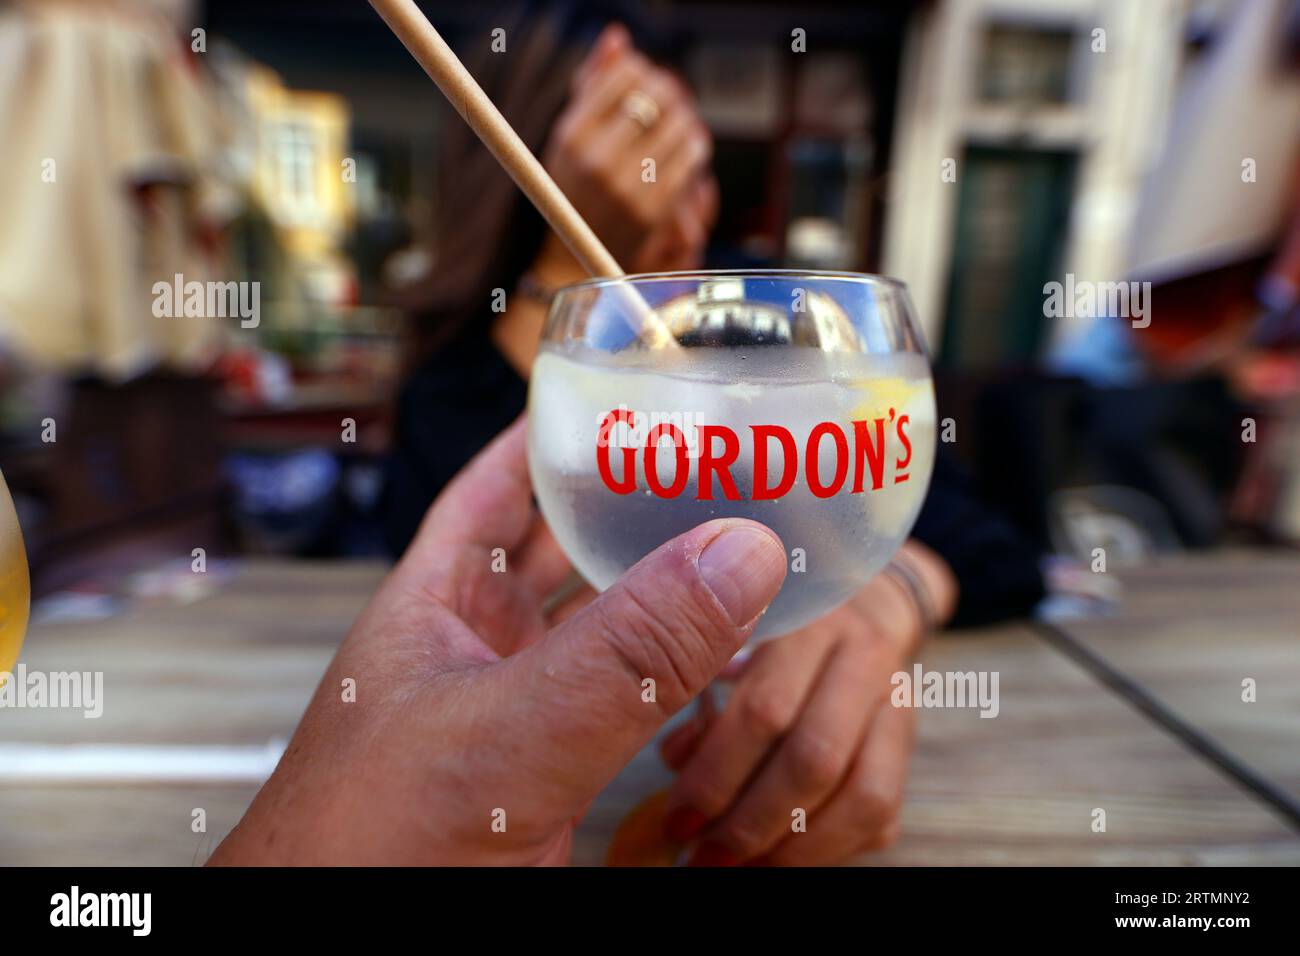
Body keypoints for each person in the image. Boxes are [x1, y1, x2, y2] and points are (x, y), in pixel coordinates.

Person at [371, 10, 1041, 865]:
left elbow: (997, 547)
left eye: (685, 151)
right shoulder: (478, 353)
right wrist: (566, 273)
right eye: (627, 140)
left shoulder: (778, 313)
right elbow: (426, 563)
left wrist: (891, 591)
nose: (673, 183)